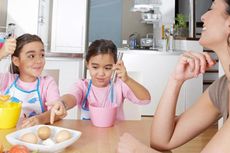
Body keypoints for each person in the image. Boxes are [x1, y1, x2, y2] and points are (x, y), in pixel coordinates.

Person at [118, 0, 230, 152]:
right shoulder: (223, 87)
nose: (203, 16)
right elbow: (162, 141)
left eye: (211, 9)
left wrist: (138, 151)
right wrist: (175, 80)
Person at [49, 39, 151, 123]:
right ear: (87, 64)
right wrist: (62, 103)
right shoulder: (82, 86)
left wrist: (127, 80)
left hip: (115, 134)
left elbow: (146, 99)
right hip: (88, 136)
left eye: (107, 68)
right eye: (95, 67)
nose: (101, 73)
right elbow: (71, 97)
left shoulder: (119, 85)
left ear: (115, 66)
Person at [0, 34, 61, 128]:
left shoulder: (47, 83)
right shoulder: (7, 80)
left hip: (35, 136)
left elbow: (56, 112)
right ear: (16, 61)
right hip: (8, 133)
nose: (39, 61)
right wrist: (1, 53)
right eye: (31, 56)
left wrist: (40, 119)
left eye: (42, 55)